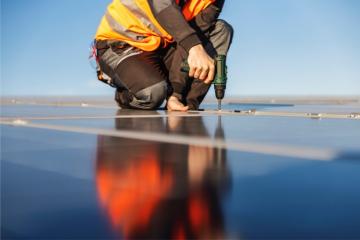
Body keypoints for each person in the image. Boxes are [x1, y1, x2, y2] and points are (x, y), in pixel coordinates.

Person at [94, 0, 233, 111]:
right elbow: (163, 7)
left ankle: (186, 104)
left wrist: (177, 94)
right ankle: (124, 95)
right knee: (152, 94)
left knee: (220, 31)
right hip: (121, 43)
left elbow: (193, 39)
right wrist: (194, 47)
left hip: (161, 46)